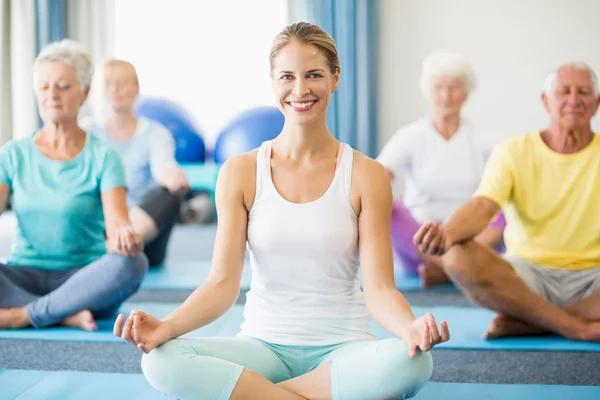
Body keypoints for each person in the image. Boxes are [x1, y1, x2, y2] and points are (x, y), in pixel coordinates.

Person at [114, 22, 450, 400]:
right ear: (273, 81)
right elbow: (222, 285)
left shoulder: (366, 175)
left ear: (335, 78)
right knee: (159, 361)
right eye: (287, 76)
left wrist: (409, 329)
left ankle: (259, 395)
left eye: (314, 75)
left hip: (345, 349)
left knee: (415, 362)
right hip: (263, 347)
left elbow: (379, 288)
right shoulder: (240, 172)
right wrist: (168, 327)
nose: (300, 89)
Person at [414, 61, 600, 341]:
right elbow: (482, 206)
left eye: (583, 92)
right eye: (564, 91)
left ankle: (532, 320)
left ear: (596, 102)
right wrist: (446, 233)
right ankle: (575, 325)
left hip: (593, 277)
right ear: (546, 101)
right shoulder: (514, 150)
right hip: (526, 277)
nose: (573, 100)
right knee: (456, 255)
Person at [0, 40, 148, 331]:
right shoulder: (12, 153)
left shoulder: (104, 156)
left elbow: (118, 221)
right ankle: (63, 313)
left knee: (133, 264)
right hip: (21, 275)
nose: (52, 95)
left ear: (85, 93)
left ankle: (22, 316)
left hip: (83, 278)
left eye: (63, 87)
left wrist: (125, 235)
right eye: (44, 87)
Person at [377, 51, 506, 288]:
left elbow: (514, 167)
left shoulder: (483, 138)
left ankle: (445, 270)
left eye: (454, 87)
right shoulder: (409, 136)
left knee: (509, 204)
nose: (446, 95)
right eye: (438, 87)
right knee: (387, 202)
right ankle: (455, 268)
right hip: (420, 242)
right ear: (428, 92)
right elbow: (378, 176)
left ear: (465, 94)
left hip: (469, 239)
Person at [81, 59, 190, 267]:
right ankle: (109, 250)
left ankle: (111, 252)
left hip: (144, 242)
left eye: (122, 83)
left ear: (136, 88)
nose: (115, 89)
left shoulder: (156, 133)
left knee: (170, 195)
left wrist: (173, 176)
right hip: (101, 230)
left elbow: (163, 167)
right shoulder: (87, 132)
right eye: (108, 84)